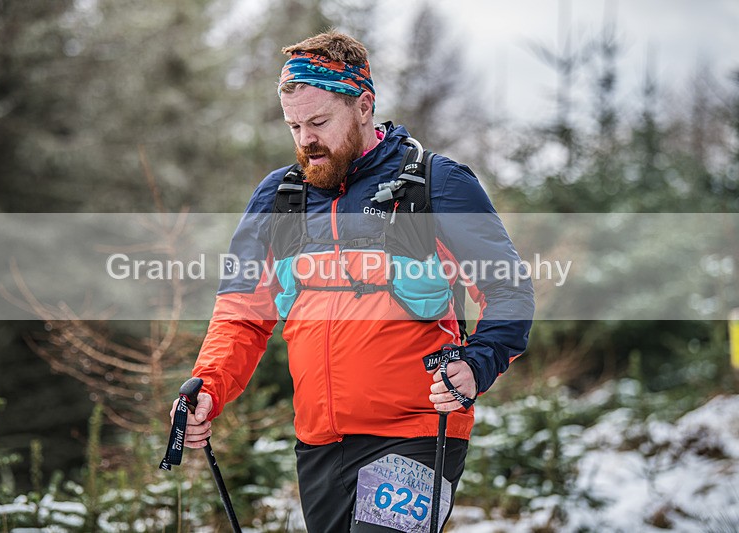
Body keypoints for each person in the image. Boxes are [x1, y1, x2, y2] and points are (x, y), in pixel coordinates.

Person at [171, 30, 534, 531]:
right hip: (320, 441)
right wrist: (209, 386)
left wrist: (479, 363)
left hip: (416, 433)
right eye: (294, 125)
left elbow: (508, 288)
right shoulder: (278, 197)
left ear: (363, 104)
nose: (305, 140)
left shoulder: (438, 184)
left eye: (319, 121)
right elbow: (241, 313)